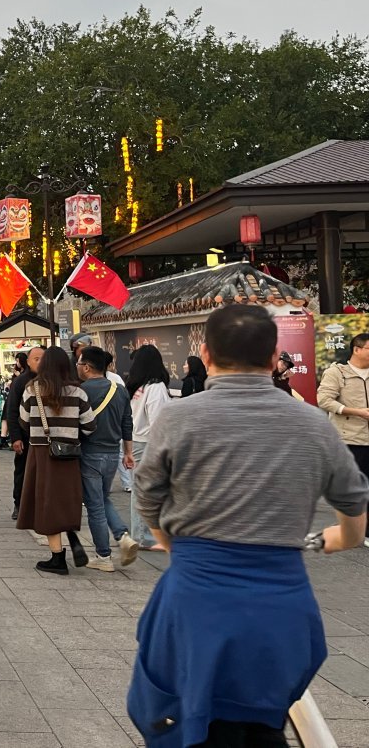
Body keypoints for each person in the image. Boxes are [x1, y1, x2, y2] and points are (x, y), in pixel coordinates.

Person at [128, 304, 369, 748]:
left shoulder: (179, 418)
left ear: (206, 353)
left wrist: (179, 548)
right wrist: (330, 540)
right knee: (262, 723)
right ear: (275, 356)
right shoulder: (313, 425)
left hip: (195, 598)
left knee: (187, 718)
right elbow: (354, 515)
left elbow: (147, 500)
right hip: (281, 601)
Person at [17, 346, 96, 574]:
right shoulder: (78, 392)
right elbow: (90, 426)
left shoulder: (32, 389)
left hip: (40, 454)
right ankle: (71, 537)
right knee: (66, 500)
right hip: (68, 454)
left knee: (46, 501)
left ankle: (57, 557)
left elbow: (23, 420)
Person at [75, 347, 139, 572]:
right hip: (113, 454)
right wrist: (128, 452)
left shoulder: (81, 391)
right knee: (102, 498)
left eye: (79, 363)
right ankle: (122, 536)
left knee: (95, 506)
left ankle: (104, 555)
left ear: (87, 367)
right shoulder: (119, 390)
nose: (77, 367)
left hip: (89, 453)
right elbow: (127, 422)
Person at [316, 332, 369, 544]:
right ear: (357, 349)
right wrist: (357, 412)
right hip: (351, 440)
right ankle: (358, 530)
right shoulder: (337, 372)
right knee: (356, 489)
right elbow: (324, 400)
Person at [126, 345, 172, 550]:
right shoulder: (156, 387)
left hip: (135, 440)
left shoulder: (137, 387)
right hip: (148, 442)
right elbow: (158, 421)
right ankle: (143, 536)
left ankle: (140, 534)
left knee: (139, 489)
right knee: (147, 491)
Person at [5, 347, 43, 521]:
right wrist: (16, 437)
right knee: (22, 471)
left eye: (43, 358)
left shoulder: (50, 380)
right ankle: (19, 504)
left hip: (44, 438)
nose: (40, 362)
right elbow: (12, 410)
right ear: (27, 361)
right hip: (25, 436)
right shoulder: (21, 381)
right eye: (36, 359)